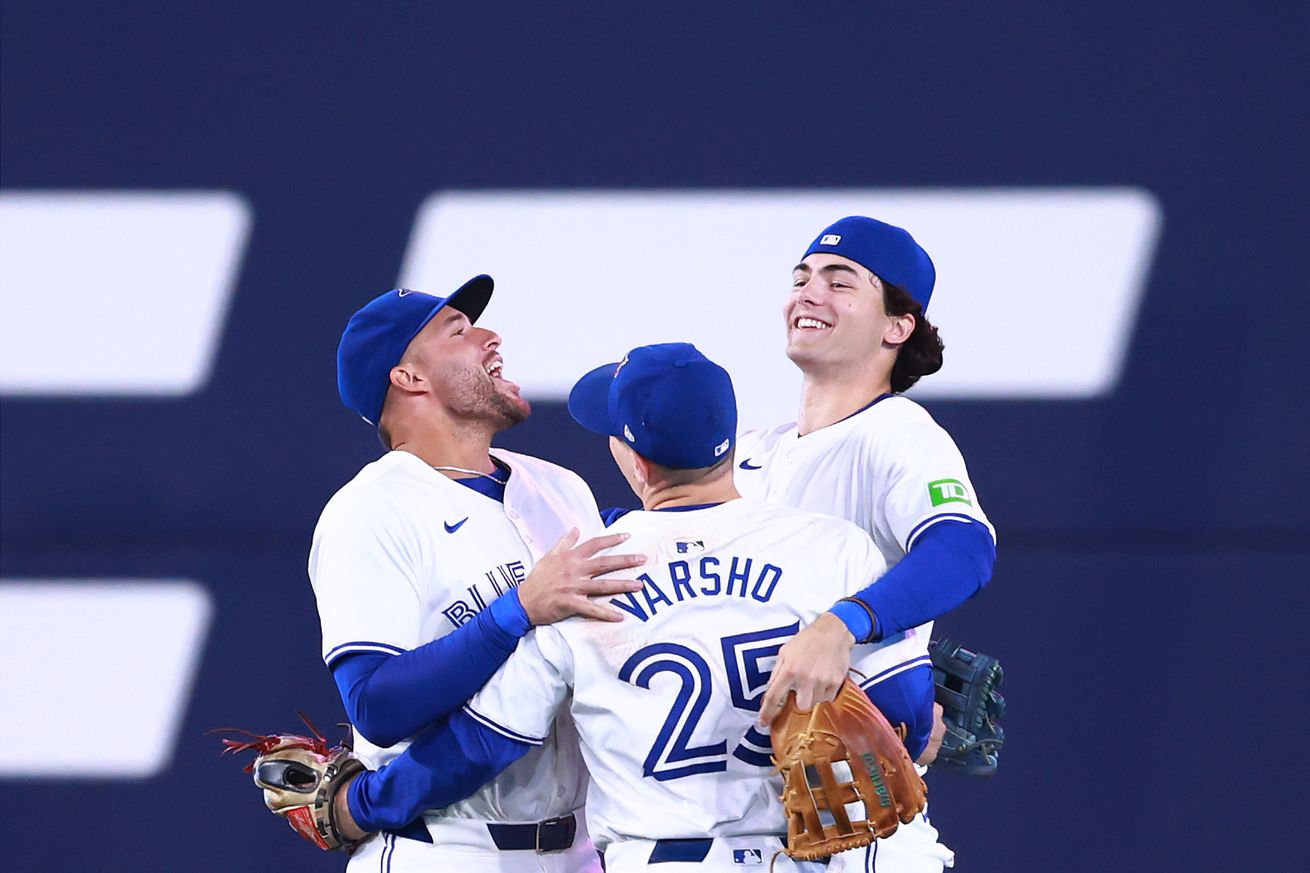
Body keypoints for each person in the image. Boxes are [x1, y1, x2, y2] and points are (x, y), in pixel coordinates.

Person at [332, 342, 928, 873]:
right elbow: (909, 715)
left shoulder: (585, 576)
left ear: (634, 461)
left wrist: (362, 803)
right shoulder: (834, 549)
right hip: (801, 854)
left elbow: (481, 745)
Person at [309, 276, 646, 871]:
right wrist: (514, 611)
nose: (490, 336)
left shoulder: (559, 486)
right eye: (458, 331)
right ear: (408, 377)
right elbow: (376, 707)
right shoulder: (371, 509)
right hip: (448, 848)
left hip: (584, 847)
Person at [737, 216, 998, 871]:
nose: (808, 293)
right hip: (749, 821)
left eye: (840, 280)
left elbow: (963, 547)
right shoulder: (751, 452)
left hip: (855, 835)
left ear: (896, 325)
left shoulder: (899, 433)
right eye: (801, 278)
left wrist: (844, 622)